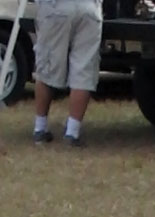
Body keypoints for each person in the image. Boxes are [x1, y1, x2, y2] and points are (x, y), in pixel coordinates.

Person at [32, 0, 103, 146]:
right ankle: (72, 132)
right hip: (89, 8)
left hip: (55, 7)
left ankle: (40, 128)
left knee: (47, 68)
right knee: (84, 68)